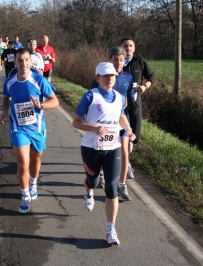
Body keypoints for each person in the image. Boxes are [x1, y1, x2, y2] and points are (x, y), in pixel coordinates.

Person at [72, 62, 136, 245]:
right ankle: (88, 190)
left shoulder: (119, 97)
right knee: (93, 180)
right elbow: (76, 122)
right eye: (105, 75)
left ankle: (110, 229)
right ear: (97, 78)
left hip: (113, 147)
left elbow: (120, 115)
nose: (109, 78)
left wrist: (128, 130)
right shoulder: (90, 97)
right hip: (91, 147)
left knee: (111, 188)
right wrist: (93, 128)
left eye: (112, 76)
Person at [0, 48, 59, 214]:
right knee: (23, 164)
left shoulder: (39, 80)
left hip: (37, 128)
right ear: (15, 62)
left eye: (26, 60)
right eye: (20, 60)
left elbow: (55, 101)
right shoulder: (9, 82)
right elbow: (6, 96)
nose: (23, 63)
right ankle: (25, 195)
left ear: (30, 62)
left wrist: (41, 105)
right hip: (18, 128)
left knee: (36, 159)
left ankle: (33, 181)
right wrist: (4, 110)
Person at [90, 47, 136, 201]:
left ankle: (121, 184)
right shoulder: (101, 77)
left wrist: (131, 123)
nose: (118, 62)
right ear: (109, 60)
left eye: (121, 60)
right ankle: (101, 173)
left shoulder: (128, 77)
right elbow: (93, 100)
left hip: (121, 119)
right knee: (105, 149)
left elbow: (130, 99)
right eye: (115, 59)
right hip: (105, 121)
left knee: (124, 151)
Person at [121, 38, 154, 179]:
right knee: (123, 135)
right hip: (120, 105)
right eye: (125, 46)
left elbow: (151, 76)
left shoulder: (140, 61)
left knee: (134, 137)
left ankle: (125, 161)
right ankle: (126, 164)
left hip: (135, 103)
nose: (128, 48)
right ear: (121, 47)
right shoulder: (117, 61)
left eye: (130, 46)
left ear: (134, 48)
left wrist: (145, 87)